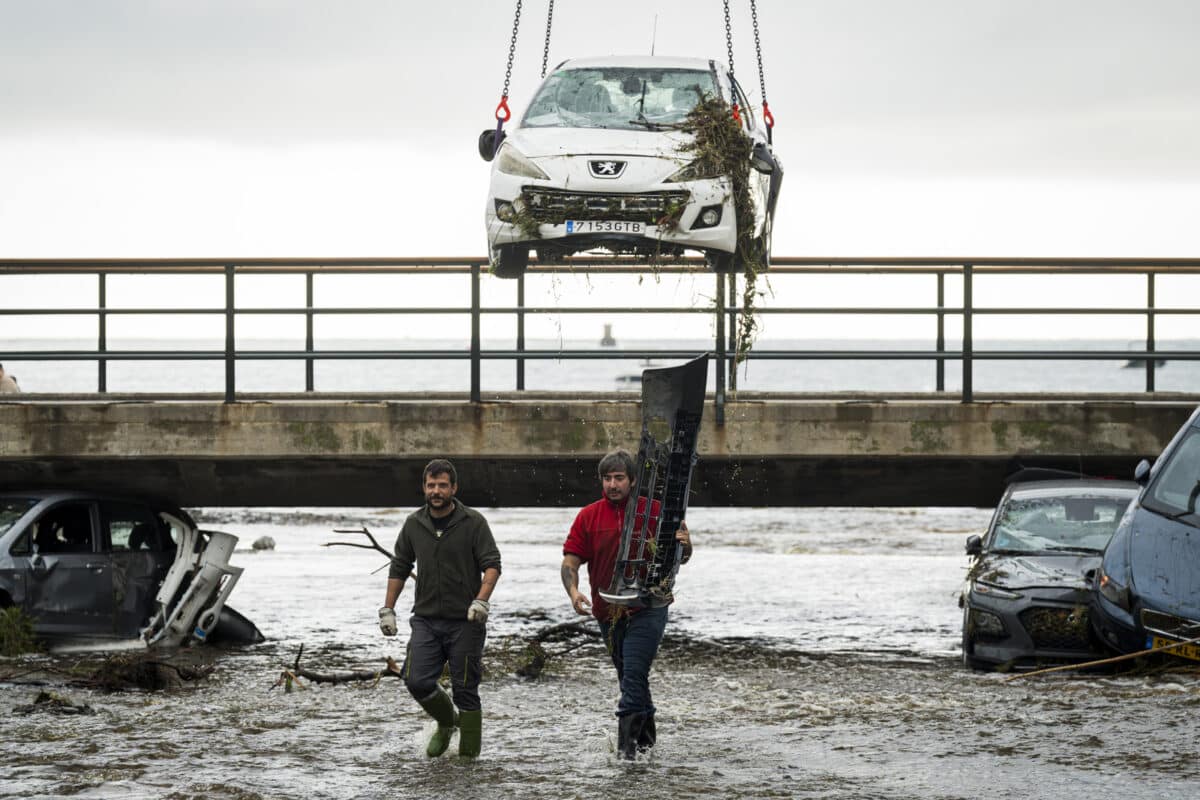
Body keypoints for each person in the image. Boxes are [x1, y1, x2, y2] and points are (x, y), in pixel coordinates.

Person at [561, 448, 693, 759]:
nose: (612, 484)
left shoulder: (657, 511)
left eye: (619, 478)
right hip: (607, 610)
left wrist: (686, 546)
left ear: (632, 481)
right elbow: (570, 562)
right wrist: (573, 592)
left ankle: (626, 759)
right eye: (607, 479)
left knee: (633, 671)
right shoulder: (588, 516)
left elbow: (682, 557)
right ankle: (647, 747)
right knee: (629, 677)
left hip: (650, 605)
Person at [379, 459, 501, 759]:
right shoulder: (413, 524)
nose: (436, 491)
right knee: (416, 680)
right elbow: (400, 566)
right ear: (424, 488)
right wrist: (388, 609)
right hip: (427, 621)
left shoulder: (473, 522)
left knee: (465, 690)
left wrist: (481, 600)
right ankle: (447, 723)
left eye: (442, 485)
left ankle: (469, 764)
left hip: (466, 621)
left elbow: (492, 565)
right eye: (431, 485)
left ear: (454, 488)